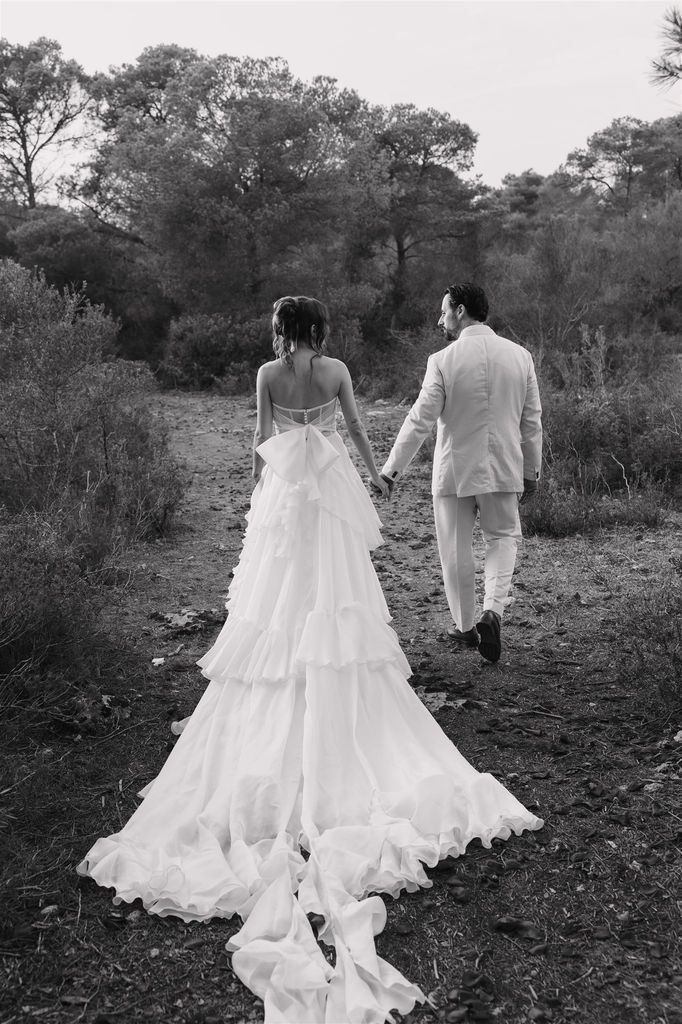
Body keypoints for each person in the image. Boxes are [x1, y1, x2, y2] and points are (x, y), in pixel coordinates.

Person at [77, 295, 543, 1024]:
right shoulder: (336, 372)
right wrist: (374, 478)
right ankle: (352, 685)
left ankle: (287, 680)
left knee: (276, 598)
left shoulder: (267, 373)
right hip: (328, 489)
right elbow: (358, 429)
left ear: (276, 332)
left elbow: (259, 440)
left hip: (286, 495)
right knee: (339, 596)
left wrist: (263, 495)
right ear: (320, 333)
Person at [380, 283, 542, 664]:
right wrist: (531, 470)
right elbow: (531, 422)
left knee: (455, 547)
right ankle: (493, 612)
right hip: (504, 466)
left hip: (454, 469)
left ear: (461, 310)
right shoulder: (521, 357)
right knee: (502, 539)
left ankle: (466, 626)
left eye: (444, 311)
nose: (441, 318)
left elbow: (420, 418)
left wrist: (392, 470)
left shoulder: (442, 360)